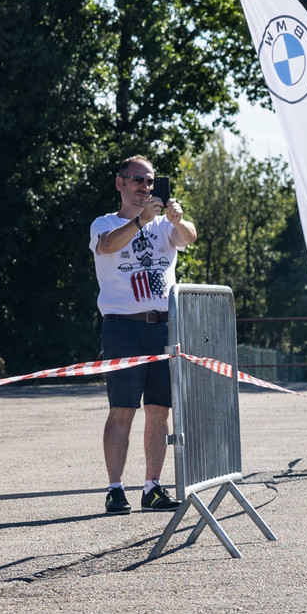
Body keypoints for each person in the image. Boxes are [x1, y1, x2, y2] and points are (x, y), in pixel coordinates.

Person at [91, 155, 198, 515]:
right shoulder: (105, 223)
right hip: (123, 326)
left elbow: (190, 237)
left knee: (159, 410)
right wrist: (140, 221)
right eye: (137, 180)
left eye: (150, 181)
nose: (145, 187)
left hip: (163, 326)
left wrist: (177, 220)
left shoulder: (163, 224)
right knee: (122, 409)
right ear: (119, 183)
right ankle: (115, 489)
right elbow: (107, 246)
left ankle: (152, 487)